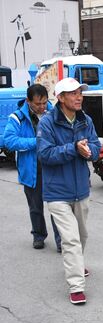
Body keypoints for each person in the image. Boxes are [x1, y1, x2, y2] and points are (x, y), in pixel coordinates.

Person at [37, 78, 101, 305]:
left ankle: (76, 263)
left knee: (82, 235)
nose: (78, 97)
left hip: (81, 189)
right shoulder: (47, 123)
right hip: (57, 192)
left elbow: (96, 147)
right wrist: (73, 149)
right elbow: (45, 155)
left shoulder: (86, 120)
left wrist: (90, 152)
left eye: (80, 93)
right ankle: (76, 286)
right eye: (72, 93)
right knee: (71, 240)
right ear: (60, 98)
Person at [4, 84, 62, 251]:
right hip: (31, 170)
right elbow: (9, 141)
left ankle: (61, 241)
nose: (42, 107)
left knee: (58, 207)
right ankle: (38, 235)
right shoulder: (17, 118)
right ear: (28, 101)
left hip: (53, 168)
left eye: (44, 102)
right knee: (35, 207)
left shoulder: (53, 114)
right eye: (38, 104)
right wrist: (36, 142)